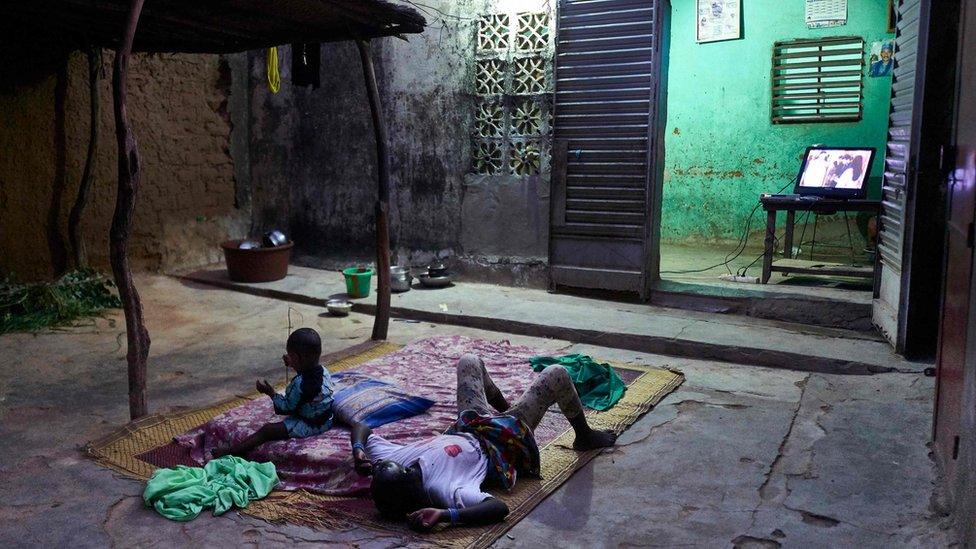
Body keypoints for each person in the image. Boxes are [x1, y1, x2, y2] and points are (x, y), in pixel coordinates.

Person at [349, 354, 616, 531]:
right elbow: (498, 508)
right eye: (406, 472)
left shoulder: (399, 459)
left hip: (471, 423)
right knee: (556, 373)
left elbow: (361, 427)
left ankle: (505, 409)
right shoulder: (445, 489)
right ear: (412, 488)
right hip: (506, 440)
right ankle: (584, 435)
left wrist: (358, 450)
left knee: (469, 361)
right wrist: (446, 515)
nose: (406, 466)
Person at [212, 328, 334, 458]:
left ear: (297, 358)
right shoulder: (324, 371)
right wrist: (294, 363)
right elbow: (307, 378)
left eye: (291, 356)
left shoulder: (299, 384)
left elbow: (285, 408)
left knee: (267, 431)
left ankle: (233, 452)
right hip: (328, 419)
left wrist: (271, 393)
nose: (289, 359)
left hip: (312, 424)